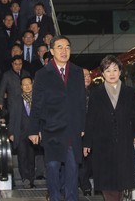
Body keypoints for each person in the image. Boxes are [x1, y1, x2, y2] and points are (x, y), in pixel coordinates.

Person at [28, 35, 86, 201]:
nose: (64, 51)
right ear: (52, 51)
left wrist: (82, 127)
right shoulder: (42, 74)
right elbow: (37, 104)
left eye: (67, 47)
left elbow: (82, 102)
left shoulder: (77, 72)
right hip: (51, 128)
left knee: (72, 168)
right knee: (52, 167)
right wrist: (34, 129)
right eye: (60, 47)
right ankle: (54, 197)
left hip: (72, 129)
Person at [83, 55, 135, 201]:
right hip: (102, 143)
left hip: (124, 141)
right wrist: (87, 143)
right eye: (108, 70)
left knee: (121, 182)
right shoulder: (96, 94)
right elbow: (90, 119)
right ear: (102, 73)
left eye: (115, 70)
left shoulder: (129, 93)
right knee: (107, 182)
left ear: (120, 72)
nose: (112, 74)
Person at [9, 76, 35, 188]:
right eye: (24, 84)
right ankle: (25, 179)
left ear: (32, 84)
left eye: (29, 83)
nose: (27, 86)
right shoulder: (16, 99)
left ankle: (32, 179)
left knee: (32, 157)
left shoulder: (37, 99)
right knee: (22, 156)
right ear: (21, 87)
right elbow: (12, 117)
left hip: (34, 133)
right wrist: (11, 133)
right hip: (20, 133)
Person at [79, 68, 93, 196]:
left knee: (92, 160)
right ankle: (85, 186)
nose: (87, 77)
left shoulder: (96, 92)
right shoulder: (74, 93)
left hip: (95, 131)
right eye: (84, 76)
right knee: (83, 160)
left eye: (89, 75)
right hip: (80, 131)